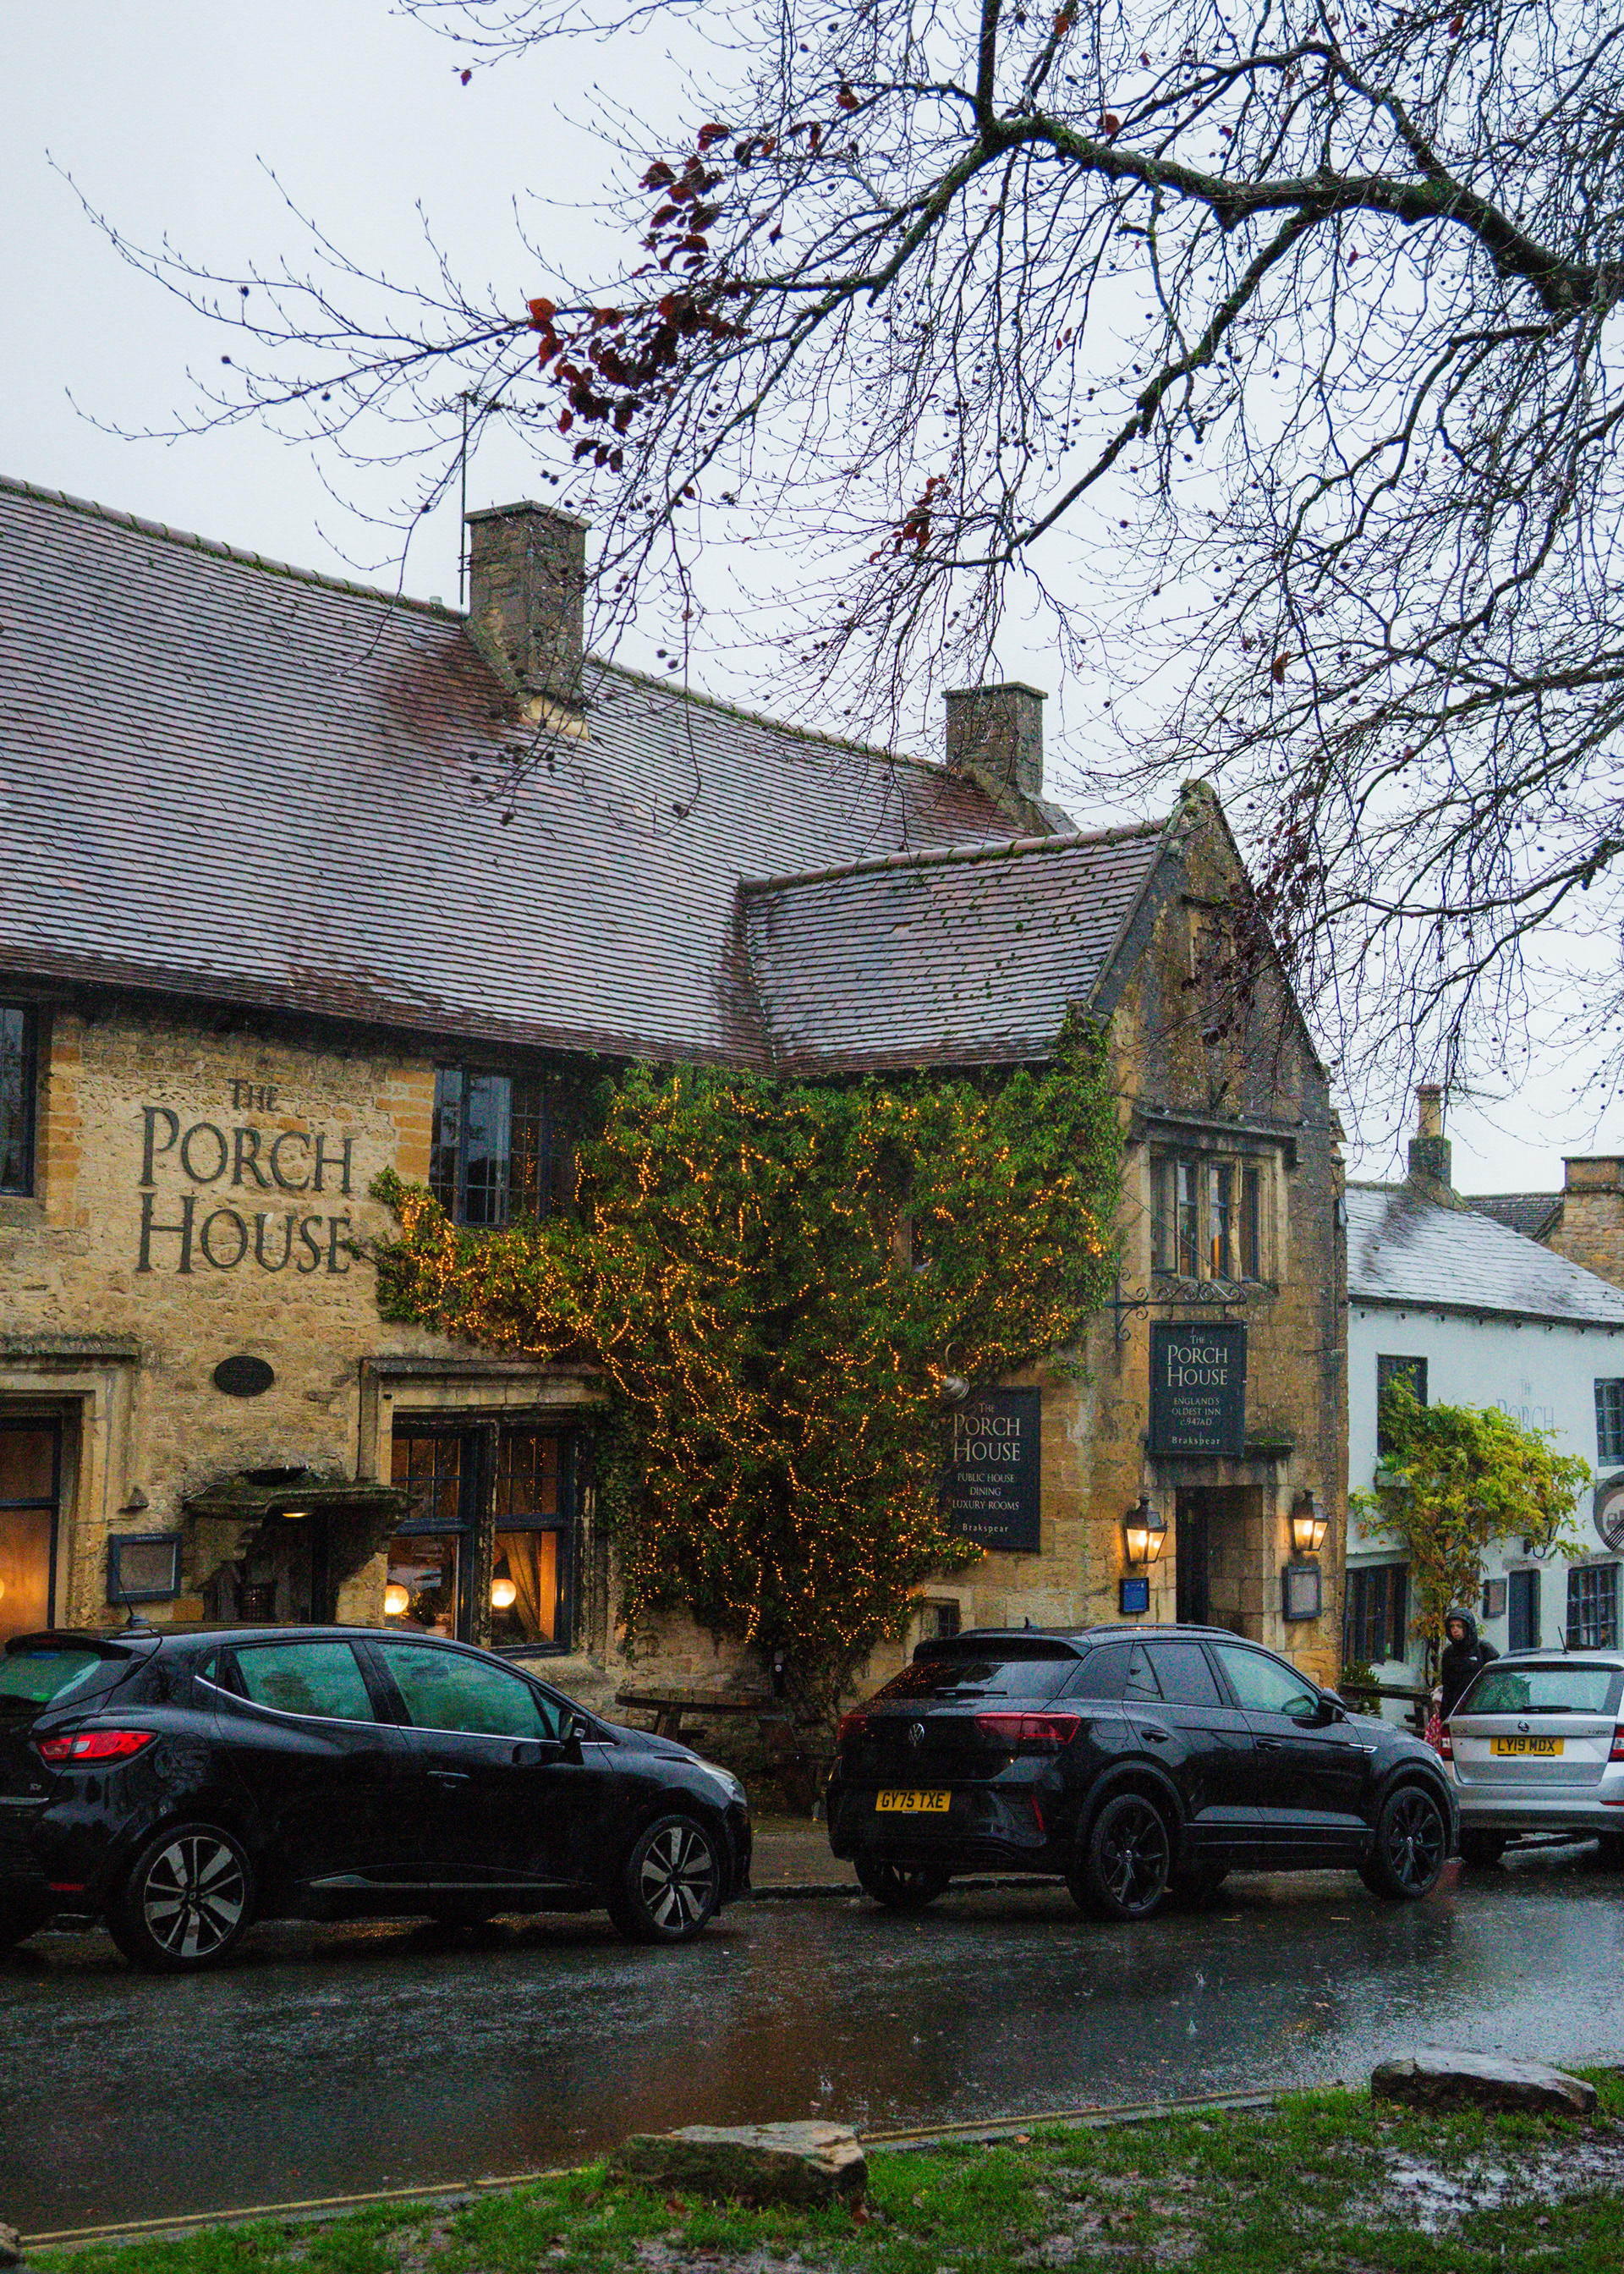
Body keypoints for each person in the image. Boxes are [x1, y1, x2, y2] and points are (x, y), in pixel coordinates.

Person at [1439, 1609, 1499, 1718]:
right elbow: (1447, 1687)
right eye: (1452, 1626)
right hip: (1457, 1708)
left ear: (1467, 1628)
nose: (1455, 1630)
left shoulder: (1484, 1649)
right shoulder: (1449, 1653)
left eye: (1459, 1626)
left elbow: (1498, 1680)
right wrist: (1444, 1716)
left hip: (1482, 1707)